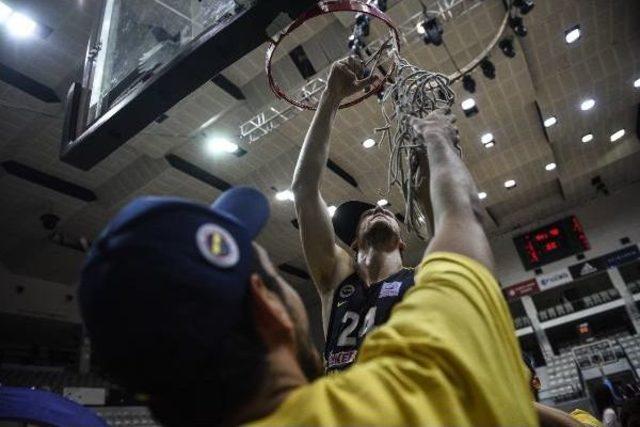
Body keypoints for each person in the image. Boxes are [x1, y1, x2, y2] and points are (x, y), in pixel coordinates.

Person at [78, 109, 536, 425]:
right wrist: (438, 141)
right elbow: (461, 219)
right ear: (269, 310)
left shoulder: (413, 281)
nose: (378, 210)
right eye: (274, 278)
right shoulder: (406, 372)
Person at [291, 57, 433, 371]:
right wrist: (331, 96)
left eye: (386, 213)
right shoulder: (336, 278)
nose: (378, 211)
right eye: (369, 214)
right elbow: (303, 189)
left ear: (402, 243)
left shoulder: (422, 277)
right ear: (354, 243)